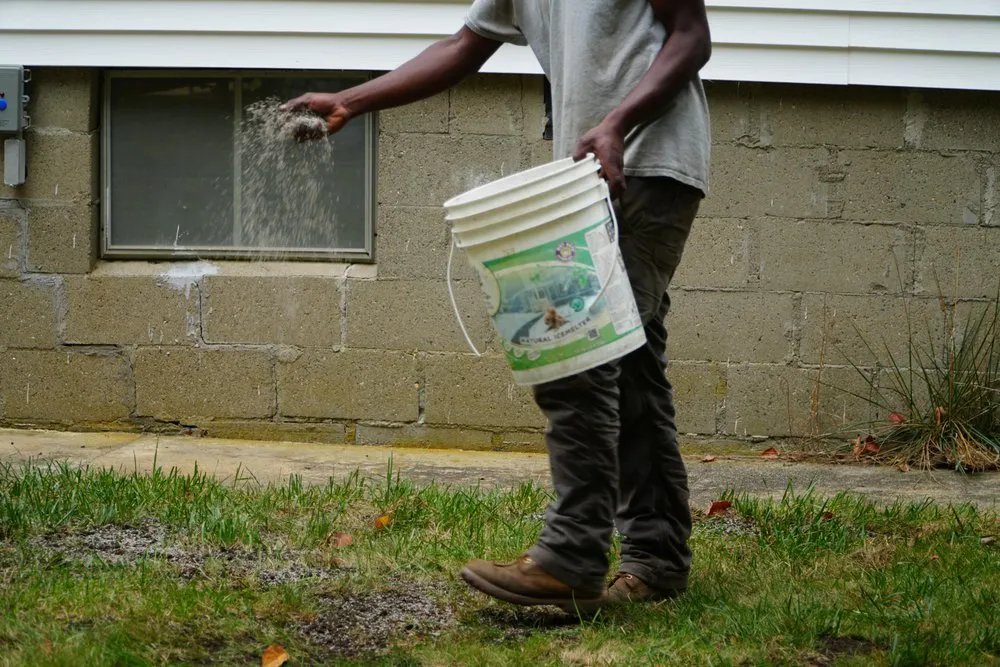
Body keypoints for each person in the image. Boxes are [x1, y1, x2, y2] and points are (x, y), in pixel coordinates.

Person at [282, 0, 712, 612]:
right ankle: (658, 559)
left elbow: (692, 39)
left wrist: (617, 121)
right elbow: (463, 46)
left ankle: (570, 560)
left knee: (576, 352)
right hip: (590, 176)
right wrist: (352, 100)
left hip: (649, 163)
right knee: (629, 364)